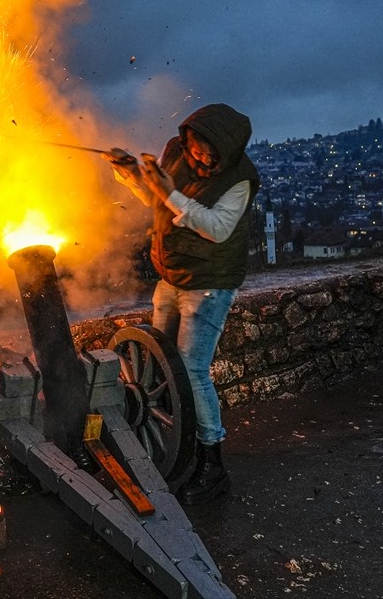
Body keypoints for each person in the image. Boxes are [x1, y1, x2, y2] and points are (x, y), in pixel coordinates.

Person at [104, 103, 260, 504]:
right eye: (194, 147)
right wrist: (130, 174)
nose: (198, 157)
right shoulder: (177, 151)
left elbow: (216, 228)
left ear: (225, 151)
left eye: (208, 152)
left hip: (210, 282)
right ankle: (174, 444)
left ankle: (212, 464)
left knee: (191, 369)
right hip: (172, 275)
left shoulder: (240, 180)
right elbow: (157, 201)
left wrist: (167, 190)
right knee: (160, 364)